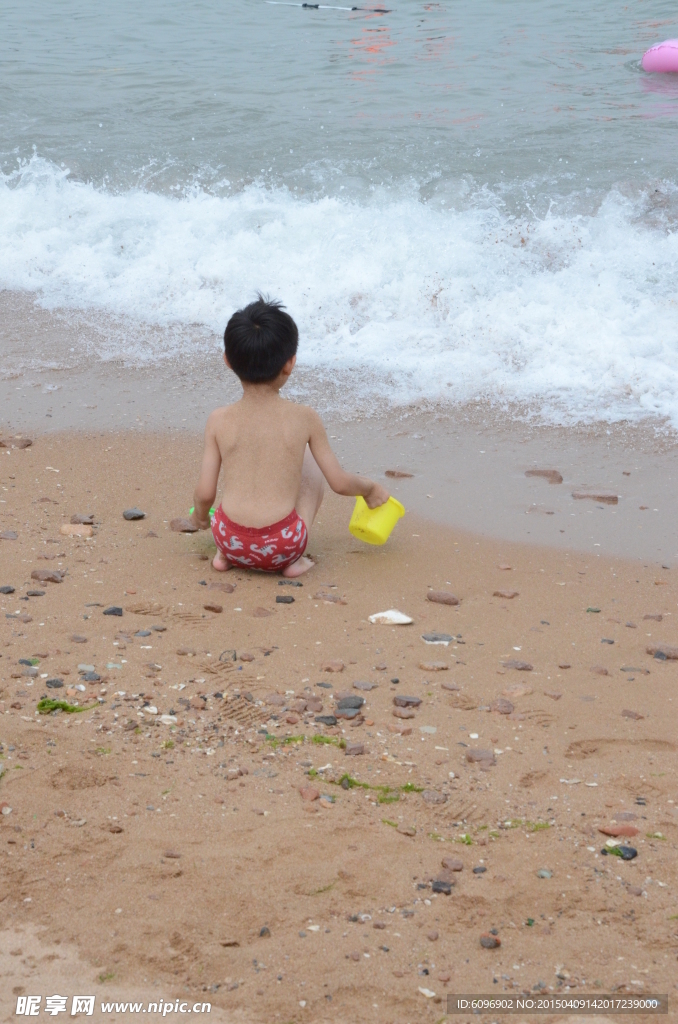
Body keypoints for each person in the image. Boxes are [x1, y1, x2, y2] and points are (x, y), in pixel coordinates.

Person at [190, 296, 390, 577]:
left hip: (226, 537)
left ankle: (225, 558)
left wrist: (199, 517)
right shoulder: (304, 417)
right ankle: (293, 563)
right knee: (310, 462)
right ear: (290, 363)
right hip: (282, 545)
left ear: (227, 361)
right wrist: (370, 489)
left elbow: (205, 493)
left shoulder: (218, 419)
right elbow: (340, 483)